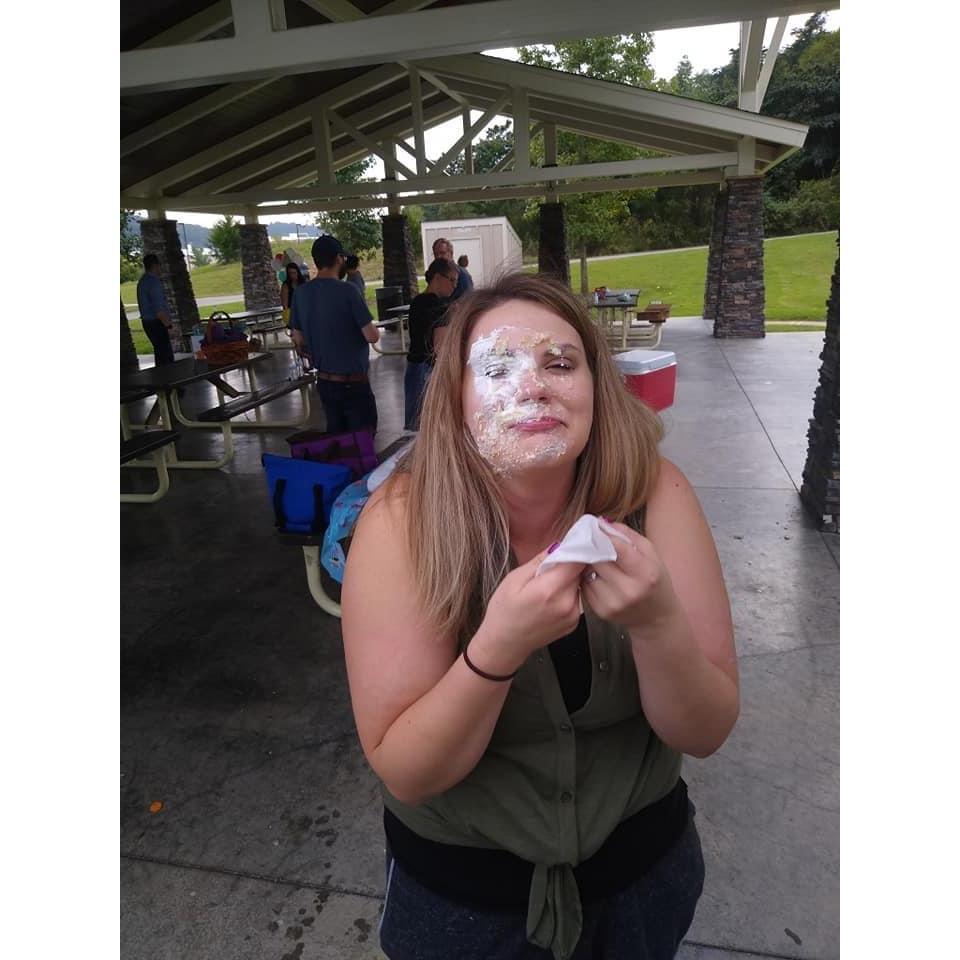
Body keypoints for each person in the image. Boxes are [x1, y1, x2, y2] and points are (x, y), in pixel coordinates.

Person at [341, 272, 738, 960]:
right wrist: (495, 649)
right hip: (461, 908)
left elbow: (704, 732)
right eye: (497, 366)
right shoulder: (401, 522)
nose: (535, 385)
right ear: (455, 400)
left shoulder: (657, 493)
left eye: (560, 362)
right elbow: (407, 770)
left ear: (596, 386)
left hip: (643, 884)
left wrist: (657, 623)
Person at [290, 235, 381, 433]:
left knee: (338, 442)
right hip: (353, 383)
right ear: (339, 259)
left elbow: (298, 338)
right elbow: (372, 336)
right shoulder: (349, 290)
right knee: (362, 442)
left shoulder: (301, 293)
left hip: (324, 382)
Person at [403, 258, 458, 432]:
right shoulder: (440, 306)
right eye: (451, 280)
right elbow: (441, 348)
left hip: (413, 368)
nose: (454, 285)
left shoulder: (417, 301)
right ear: (437, 277)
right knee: (430, 427)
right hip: (428, 370)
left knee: (414, 426)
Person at [136, 253, 175, 366]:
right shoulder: (154, 282)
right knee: (166, 357)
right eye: (159, 265)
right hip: (156, 324)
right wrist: (169, 327)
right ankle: (170, 380)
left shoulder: (143, 281)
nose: (160, 268)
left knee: (160, 354)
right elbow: (159, 310)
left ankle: (162, 381)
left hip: (147, 323)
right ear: (155, 265)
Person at [431, 237, 470, 302]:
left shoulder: (461, 274)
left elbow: (467, 300)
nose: (438, 257)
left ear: (451, 254)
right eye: (436, 254)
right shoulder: (436, 273)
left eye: (442, 253)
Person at [280, 261, 306, 328]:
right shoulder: (286, 285)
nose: (293, 275)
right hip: (292, 313)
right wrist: (288, 317)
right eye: (290, 273)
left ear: (298, 272)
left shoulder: (303, 282)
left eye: (294, 273)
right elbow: (284, 303)